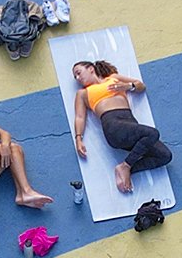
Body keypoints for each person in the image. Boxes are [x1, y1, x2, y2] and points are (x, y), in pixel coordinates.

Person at [66, 60, 173, 195]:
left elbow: (141, 86)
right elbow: (80, 117)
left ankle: (127, 169)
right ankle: (125, 166)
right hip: (113, 125)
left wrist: (128, 86)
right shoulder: (83, 93)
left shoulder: (113, 79)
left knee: (165, 156)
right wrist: (78, 139)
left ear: (91, 69)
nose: (77, 78)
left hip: (130, 125)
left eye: (78, 73)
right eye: (75, 77)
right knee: (152, 134)